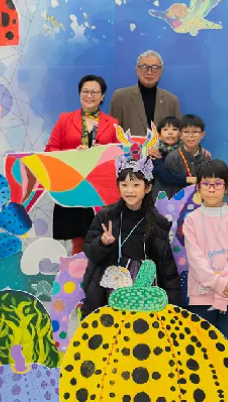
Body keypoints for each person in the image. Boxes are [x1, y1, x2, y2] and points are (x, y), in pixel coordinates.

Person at [80, 135, 181, 318]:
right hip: (109, 293)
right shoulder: (107, 216)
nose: (129, 190)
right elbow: (90, 252)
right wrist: (103, 243)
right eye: (124, 185)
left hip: (145, 295)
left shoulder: (158, 223)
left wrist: (173, 308)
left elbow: (167, 268)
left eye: (136, 185)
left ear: (147, 188)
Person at [183, 160, 228, 368]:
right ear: (198, 187)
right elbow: (196, 259)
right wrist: (217, 283)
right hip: (202, 296)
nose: (212, 189)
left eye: (218, 184)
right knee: (202, 353)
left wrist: (223, 292)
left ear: (227, 187)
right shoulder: (191, 220)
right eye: (206, 184)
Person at [46, 75, 120, 254]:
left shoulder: (112, 124)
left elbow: (119, 155)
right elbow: (50, 150)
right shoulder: (65, 119)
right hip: (73, 187)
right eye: (85, 91)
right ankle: (77, 270)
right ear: (79, 94)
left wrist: (101, 152)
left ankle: (98, 272)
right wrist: (72, 154)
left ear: (102, 96)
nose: (89, 96)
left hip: (99, 191)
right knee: (78, 243)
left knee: (103, 239)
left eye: (94, 92)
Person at [109, 50, 182, 136]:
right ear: (137, 69)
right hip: (130, 145)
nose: (149, 72)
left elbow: (178, 133)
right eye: (144, 67)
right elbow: (112, 132)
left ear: (161, 71)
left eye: (155, 67)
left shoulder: (171, 100)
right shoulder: (120, 97)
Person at [165, 114, 209, 191]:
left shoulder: (206, 157)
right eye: (186, 132)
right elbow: (169, 184)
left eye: (195, 132)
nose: (190, 136)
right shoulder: (172, 157)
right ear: (180, 135)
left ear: (202, 135)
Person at [152, 116, 188, 199]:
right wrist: (188, 179)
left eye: (175, 129)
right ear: (159, 135)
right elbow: (165, 177)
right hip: (160, 199)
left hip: (183, 199)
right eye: (165, 129)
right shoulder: (155, 154)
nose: (170, 132)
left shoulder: (186, 153)